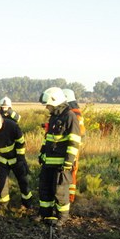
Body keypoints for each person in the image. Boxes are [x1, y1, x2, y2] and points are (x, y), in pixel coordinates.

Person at [37, 87, 81, 227]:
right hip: (48, 162)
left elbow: (74, 142)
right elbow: (48, 139)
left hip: (62, 164)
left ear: (55, 102)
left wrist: (68, 162)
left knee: (60, 191)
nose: (47, 108)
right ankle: (46, 214)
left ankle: (62, 217)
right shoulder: (54, 117)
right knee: (45, 189)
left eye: (48, 105)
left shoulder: (70, 117)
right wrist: (42, 153)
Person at [62, 89, 86, 204]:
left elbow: (80, 133)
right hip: (73, 145)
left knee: (71, 170)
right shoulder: (74, 112)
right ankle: (68, 196)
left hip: (72, 147)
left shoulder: (74, 113)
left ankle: (70, 198)